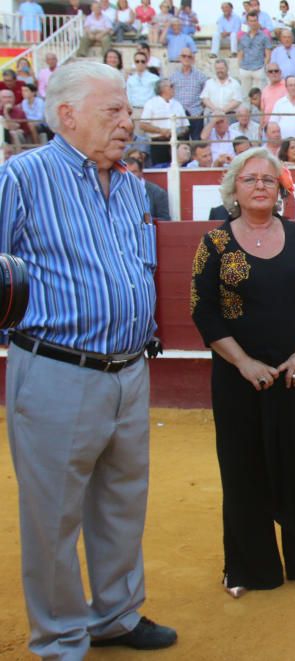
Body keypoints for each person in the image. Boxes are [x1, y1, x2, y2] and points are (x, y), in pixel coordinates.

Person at [0, 60, 178, 659]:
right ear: (67, 115)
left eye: (128, 110)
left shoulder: (132, 187)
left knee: (123, 500)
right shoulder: (22, 177)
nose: (128, 122)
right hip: (54, 369)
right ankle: (59, 638)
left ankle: (115, 615)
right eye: (114, 111)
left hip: (129, 369)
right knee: (53, 517)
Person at [189, 146, 295, 598]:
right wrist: (244, 362)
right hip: (237, 378)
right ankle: (248, 567)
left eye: (268, 180)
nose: (259, 186)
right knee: (242, 467)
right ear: (234, 187)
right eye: (250, 179)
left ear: (279, 190)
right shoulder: (214, 242)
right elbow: (204, 312)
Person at [140, 79, 190, 166]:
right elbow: (143, 125)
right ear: (162, 89)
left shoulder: (177, 104)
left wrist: (175, 132)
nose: (174, 88)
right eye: (171, 86)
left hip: (177, 142)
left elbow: (186, 125)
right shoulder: (151, 103)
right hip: (159, 143)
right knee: (159, 168)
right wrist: (161, 131)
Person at [125, 156, 171, 221]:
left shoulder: (158, 193)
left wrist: (144, 219)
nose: (129, 176)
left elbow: (165, 220)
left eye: (134, 172)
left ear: (141, 172)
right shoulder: (116, 192)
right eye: (126, 173)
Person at [238, 11, 272, 96]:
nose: (253, 23)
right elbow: (240, 53)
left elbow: (268, 54)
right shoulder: (243, 37)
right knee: (245, 95)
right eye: (251, 21)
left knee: (261, 95)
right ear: (247, 22)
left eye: (255, 21)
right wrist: (240, 66)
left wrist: (264, 66)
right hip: (245, 69)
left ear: (258, 21)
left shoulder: (264, 36)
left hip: (258, 69)